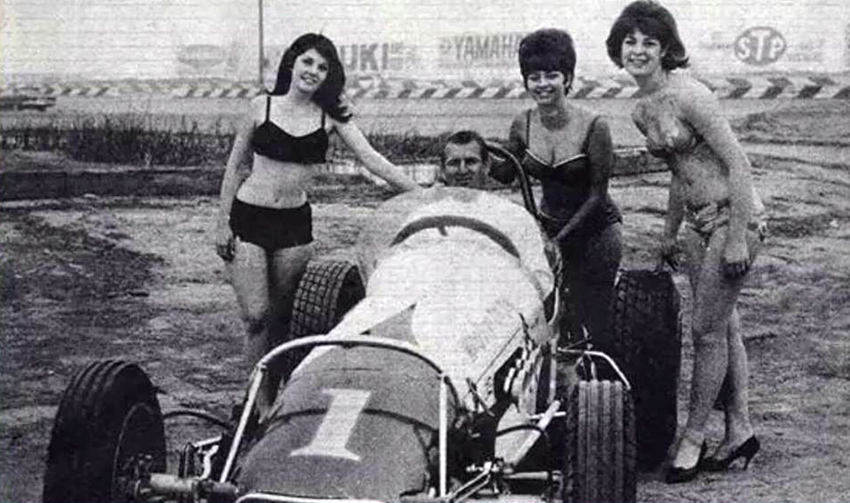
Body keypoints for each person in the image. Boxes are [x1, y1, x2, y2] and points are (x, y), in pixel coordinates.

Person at [215, 33, 420, 416]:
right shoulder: (261, 106)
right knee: (257, 316)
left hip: (294, 226)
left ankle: (274, 396)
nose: (313, 71)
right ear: (292, 63)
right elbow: (235, 167)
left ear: (329, 76)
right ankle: (257, 406)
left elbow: (372, 159)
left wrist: (420, 193)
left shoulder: (330, 116)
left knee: (280, 319)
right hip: (249, 218)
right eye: (307, 62)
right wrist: (221, 223)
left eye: (323, 67)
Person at [606, 1, 767, 483]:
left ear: (665, 50)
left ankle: (693, 437)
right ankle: (739, 431)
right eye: (629, 42)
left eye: (649, 42)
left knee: (705, 332)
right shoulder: (641, 109)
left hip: (733, 217)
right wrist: (668, 231)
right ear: (618, 49)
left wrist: (737, 236)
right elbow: (679, 173)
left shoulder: (690, 95)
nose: (638, 50)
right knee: (724, 326)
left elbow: (738, 164)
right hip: (697, 223)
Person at [490, 28, 623, 351]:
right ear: (525, 81)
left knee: (595, 318)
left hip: (595, 232)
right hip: (549, 230)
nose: (542, 84)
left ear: (568, 78)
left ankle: (601, 378)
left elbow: (597, 195)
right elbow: (507, 174)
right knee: (550, 316)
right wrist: (476, 156)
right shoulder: (523, 123)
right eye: (534, 77)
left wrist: (557, 241)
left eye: (552, 75)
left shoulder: (595, 125)